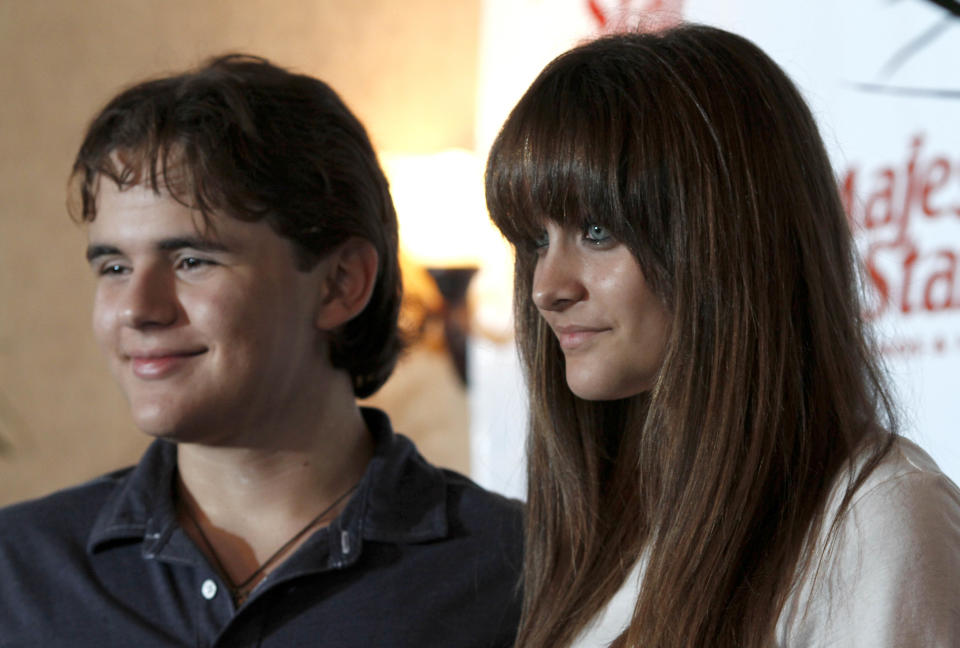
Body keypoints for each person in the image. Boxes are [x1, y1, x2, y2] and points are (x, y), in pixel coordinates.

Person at [0, 54, 522, 647]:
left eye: (191, 260)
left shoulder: (516, 569)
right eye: (114, 266)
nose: (136, 309)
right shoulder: (18, 572)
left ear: (340, 282)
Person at [485, 24, 960, 648]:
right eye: (534, 241)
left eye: (597, 230)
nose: (547, 288)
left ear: (727, 238)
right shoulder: (612, 531)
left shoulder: (874, 520)